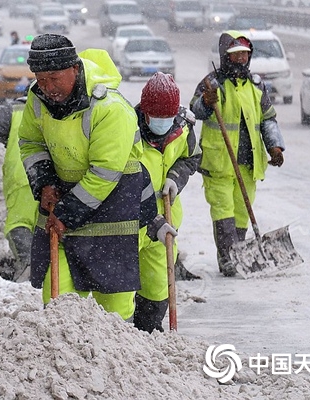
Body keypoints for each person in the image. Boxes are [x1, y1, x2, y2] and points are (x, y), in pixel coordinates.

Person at [18, 34, 175, 321]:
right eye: (41, 79)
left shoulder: (109, 108)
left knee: (114, 305)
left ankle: (120, 357)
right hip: (65, 208)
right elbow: (30, 143)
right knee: (58, 298)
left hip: (114, 212)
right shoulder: (37, 98)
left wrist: (65, 213)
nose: (48, 87)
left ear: (75, 69)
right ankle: (61, 353)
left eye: (54, 78)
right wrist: (44, 182)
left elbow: (104, 172)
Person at [189, 30, 285, 277]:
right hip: (219, 161)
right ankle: (227, 257)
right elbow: (194, 111)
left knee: (242, 211)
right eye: (235, 54)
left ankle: (240, 252)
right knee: (223, 211)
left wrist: (274, 146)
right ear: (225, 56)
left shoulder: (255, 84)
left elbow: (268, 119)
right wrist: (206, 103)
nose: (241, 59)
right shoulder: (212, 83)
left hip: (248, 161)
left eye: (244, 54)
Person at [133, 72, 202, 333]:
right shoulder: (127, 129)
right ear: (145, 112)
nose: (163, 123)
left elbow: (192, 157)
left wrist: (175, 177)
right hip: (130, 221)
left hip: (166, 225)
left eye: (168, 118)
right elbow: (118, 177)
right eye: (157, 118)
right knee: (119, 289)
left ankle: (150, 332)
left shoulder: (184, 128)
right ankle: (120, 341)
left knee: (158, 283)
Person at [0, 93, 38, 282]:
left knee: (18, 224)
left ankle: (28, 266)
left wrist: (9, 141)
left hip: (22, 175)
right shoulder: (52, 107)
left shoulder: (16, 110)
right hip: (47, 177)